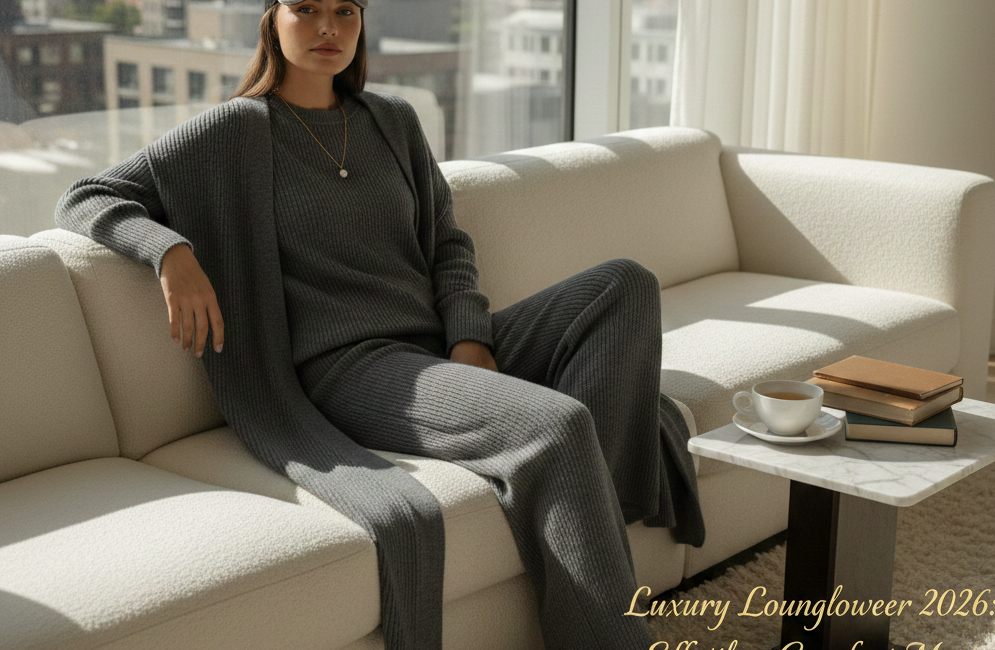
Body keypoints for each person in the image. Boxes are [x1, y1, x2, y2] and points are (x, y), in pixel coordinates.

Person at [55, 0, 705, 648]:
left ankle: (595, 536)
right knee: (560, 425)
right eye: (305, 9)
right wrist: (170, 252)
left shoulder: (392, 120)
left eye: (345, 10)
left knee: (625, 285)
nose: (327, 28)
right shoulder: (232, 132)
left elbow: (447, 245)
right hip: (352, 369)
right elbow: (85, 196)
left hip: (433, 345)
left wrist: (469, 338)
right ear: (271, 19)